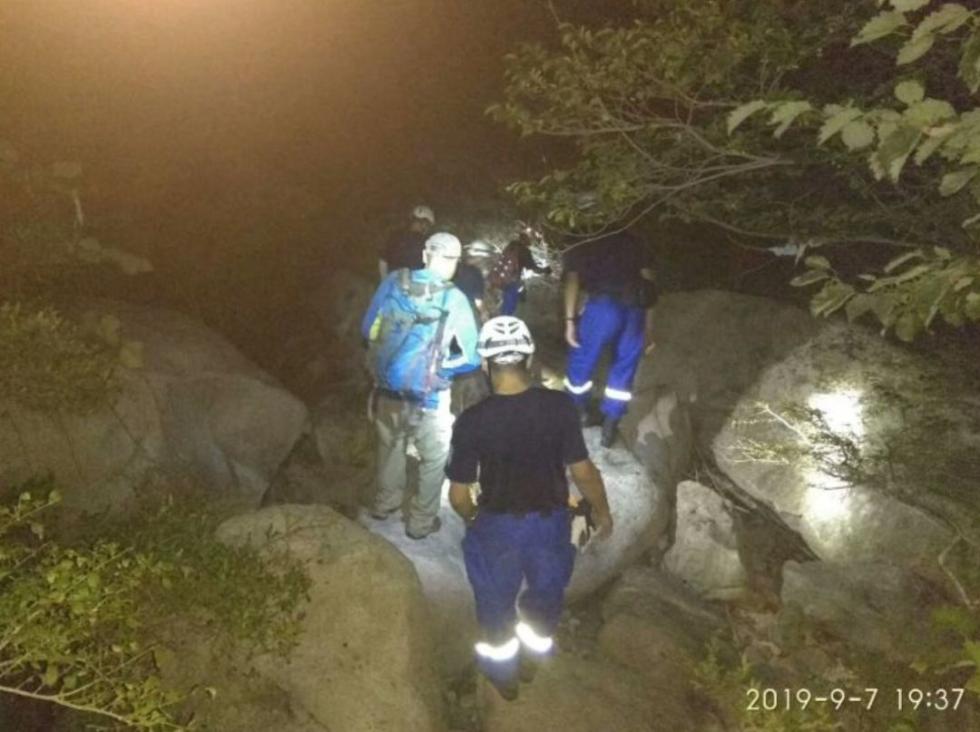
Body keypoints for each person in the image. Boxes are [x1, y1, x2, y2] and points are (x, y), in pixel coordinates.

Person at [446, 316, 613, 700]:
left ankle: (503, 677)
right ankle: (533, 659)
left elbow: (458, 496)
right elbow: (583, 472)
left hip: (496, 528)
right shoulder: (559, 407)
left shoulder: (471, 422)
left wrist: (474, 520)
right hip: (550, 525)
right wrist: (602, 512)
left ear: (485, 363)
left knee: (494, 605)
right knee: (547, 594)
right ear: (530, 358)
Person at [362, 232, 480, 539]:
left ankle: (385, 504)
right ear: (455, 263)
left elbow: (367, 328)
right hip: (429, 397)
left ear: (426, 255)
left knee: (390, 447)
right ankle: (420, 523)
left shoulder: (393, 282)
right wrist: (442, 368)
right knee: (433, 459)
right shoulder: (454, 298)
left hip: (389, 389)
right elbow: (471, 357)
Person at [562, 231, 657, 448]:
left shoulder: (582, 240)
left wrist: (569, 321)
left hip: (603, 307)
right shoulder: (634, 238)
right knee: (625, 366)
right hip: (635, 309)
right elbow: (650, 285)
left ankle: (579, 413)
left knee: (582, 358)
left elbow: (572, 281)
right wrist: (648, 327)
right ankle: (610, 427)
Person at [450, 242, 492, 415]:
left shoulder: (453, 269)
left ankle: (454, 403)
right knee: (471, 363)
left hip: (447, 325)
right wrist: (486, 318)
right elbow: (479, 303)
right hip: (465, 324)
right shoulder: (474, 273)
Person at [490, 231, 551, 316]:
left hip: (499, 278)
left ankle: (499, 316)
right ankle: (504, 320)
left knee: (504, 304)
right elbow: (534, 268)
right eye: (530, 239)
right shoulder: (524, 251)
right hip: (511, 281)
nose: (531, 241)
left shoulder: (511, 245)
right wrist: (545, 270)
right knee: (509, 307)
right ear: (526, 240)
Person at [377, 205, 435, 280]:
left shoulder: (395, 235)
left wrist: (384, 281)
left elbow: (383, 260)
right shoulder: (427, 243)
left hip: (395, 281)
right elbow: (383, 259)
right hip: (411, 282)